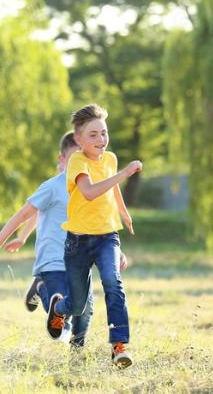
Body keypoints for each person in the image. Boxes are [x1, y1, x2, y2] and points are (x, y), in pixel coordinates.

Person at [0, 131, 127, 347]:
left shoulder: (92, 190)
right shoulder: (53, 187)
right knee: (60, 299)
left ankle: (76, 352)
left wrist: (116, 251)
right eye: (74, 158)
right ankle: (43, 291)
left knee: (84, 310)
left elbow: (103, 223)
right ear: (62, 160)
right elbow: (24, 214)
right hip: (54, 259)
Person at [45, 104, 142, 368]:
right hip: (78, 242)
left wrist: (123, 212)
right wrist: (124, 174)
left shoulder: (110, 159)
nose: (101, 140)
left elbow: (113, 188)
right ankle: (59, 310)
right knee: (77, 305)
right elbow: (88, 192)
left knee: (113, 282)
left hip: (107, 236)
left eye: (104, 133)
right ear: (79, 139)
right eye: (93, 135)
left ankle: (119, 346)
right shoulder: (76, 161)